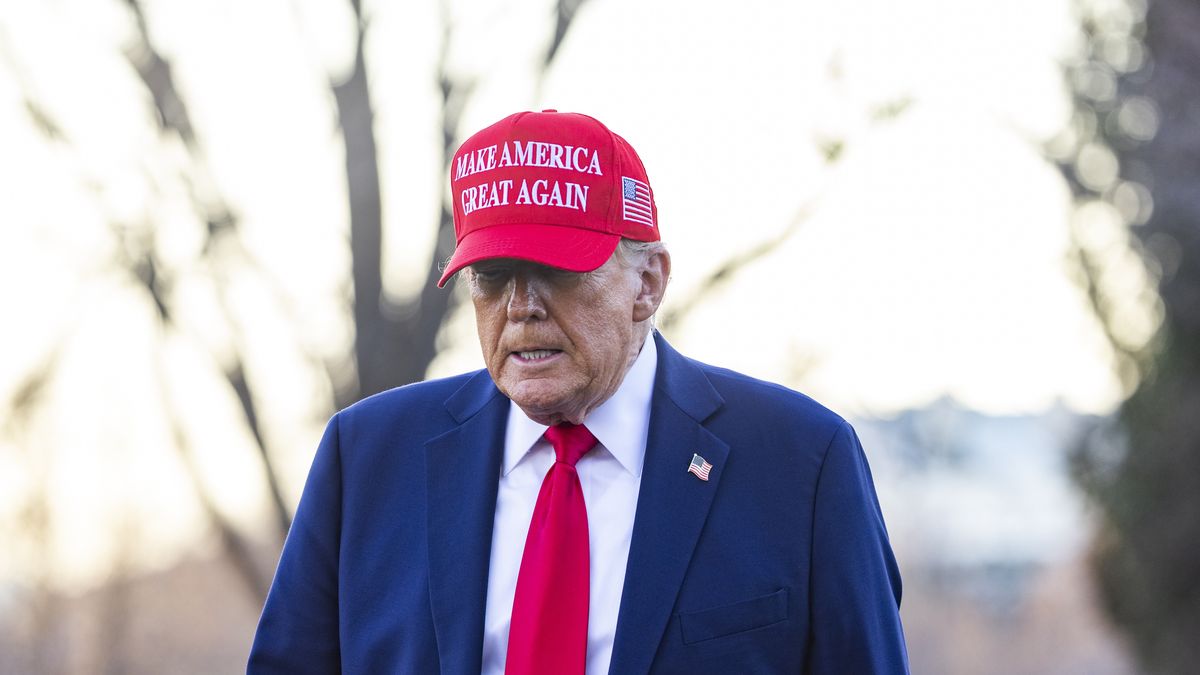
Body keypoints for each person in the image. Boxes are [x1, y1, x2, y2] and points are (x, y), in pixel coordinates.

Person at [248, 110, 909, 674]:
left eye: (556, 269)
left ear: (648, 282)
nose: (521, 306)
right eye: (492, 275)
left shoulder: (801, 464)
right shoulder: (366, 457)